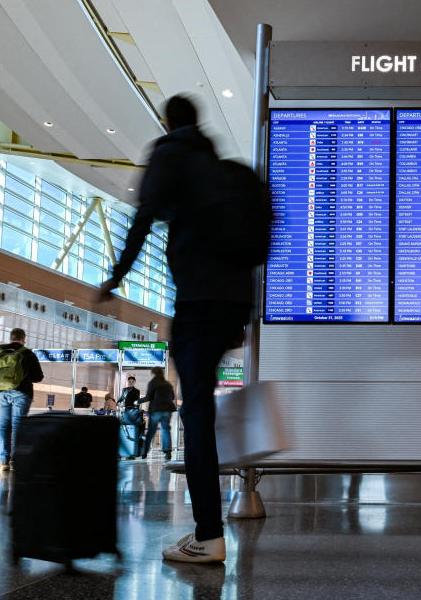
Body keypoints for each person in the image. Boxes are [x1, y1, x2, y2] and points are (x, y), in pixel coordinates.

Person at [99, 95, 253, 563]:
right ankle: (209, 528)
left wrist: (116, 277)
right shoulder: (223, 170)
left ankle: (208, 534)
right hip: (234, 302)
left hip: (199, 301)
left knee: (198, 414)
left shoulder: (170, 156)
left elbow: (143, 218)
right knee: (200, 409)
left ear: (168, 122)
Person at [0, 328, 44, 472]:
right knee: (18, 425)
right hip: (22, 393)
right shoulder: (27, 353)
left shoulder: (1, 350)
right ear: (23, 338)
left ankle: (3, 460)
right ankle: (15, 459)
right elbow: (38, 377)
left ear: (10, 337)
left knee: (3, 426)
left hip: (2, 393)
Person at [142, 367, 177, 461]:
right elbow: (172, 397)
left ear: (154, 373)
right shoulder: (168, 384)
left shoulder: (153, 382)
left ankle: (145, 452)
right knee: (165, 430)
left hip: (156, 410)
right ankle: (167, 452)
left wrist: (138, 401)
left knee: (151, 431)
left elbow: (148, 397)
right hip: (167, 410)